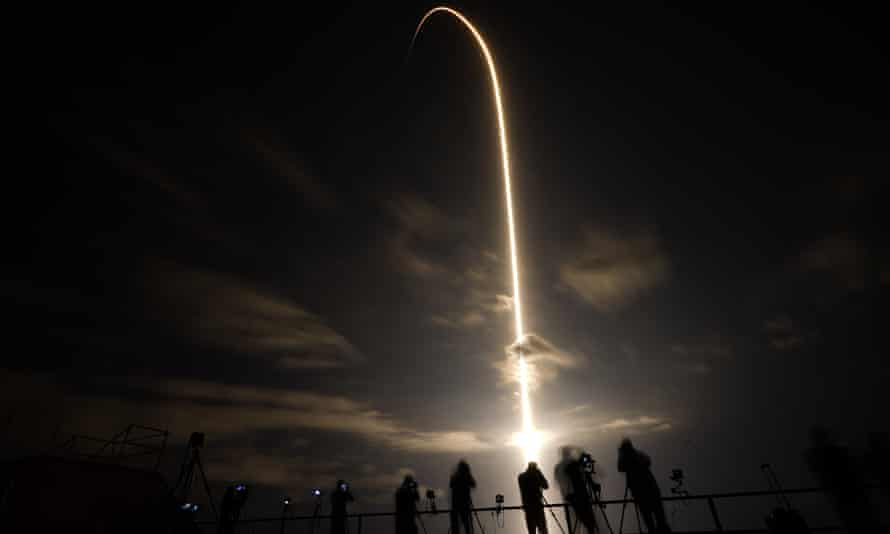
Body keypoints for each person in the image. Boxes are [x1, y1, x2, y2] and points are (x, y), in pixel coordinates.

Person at [805, 426, 879, 533]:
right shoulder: (837, 451)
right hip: (850, 491)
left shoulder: (816, 455)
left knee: (854, 519)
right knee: (862, 518)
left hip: (842, 492)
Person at [617, 439, 670, 534]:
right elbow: (621, 468)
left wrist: (621, 455)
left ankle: (657, 530)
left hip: (643, 492)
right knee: (657, 517)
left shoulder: (634, 458)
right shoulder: (639, 455)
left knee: (652, 518)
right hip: (649, 490)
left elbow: (621, 467)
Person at [564, 450, 599, 534]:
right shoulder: (575, 469)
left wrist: (593, 485)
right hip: (579, 499)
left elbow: (588, 479)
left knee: (589, 522)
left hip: (580, 498)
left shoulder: (578, 468)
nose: (588, 465)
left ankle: (591, 530)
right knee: (588, 521)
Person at [518, 462, 550, 534]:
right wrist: (539, 475)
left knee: (532, 531)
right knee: (543, 530)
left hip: (528, 507)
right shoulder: (535, 476)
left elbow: (546, 486)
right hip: (537, 506)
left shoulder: (521, 477)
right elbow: (546, 486)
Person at [450, 460, 477, 534]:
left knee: (458, 526)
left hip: (456, 505)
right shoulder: (465, 476)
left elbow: (451, 485)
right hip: (464, 505)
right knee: (466, 525)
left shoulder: (455, 476)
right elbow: (473, 484)